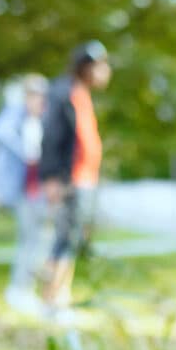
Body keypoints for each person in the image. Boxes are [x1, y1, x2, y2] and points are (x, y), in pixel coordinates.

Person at [39, 41, 112, 316]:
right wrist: (53, 178)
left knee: (70, 239)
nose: (105, 72)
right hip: (69, 180)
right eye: (101, 66)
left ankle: (60, 297)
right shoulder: (63, 93)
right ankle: (51, 300)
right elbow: (52, 137)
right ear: (87, 66)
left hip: (84, 179)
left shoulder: (81, 94)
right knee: (63, 238)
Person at [0, 76, 49, 314]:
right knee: (30, 239)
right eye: (33, 95)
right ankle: (20, 290)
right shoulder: (16, 115)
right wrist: (26, 151)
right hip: (23, 190)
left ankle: (26, 288)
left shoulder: (42, 120)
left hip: (38, 190)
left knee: (38, 240)